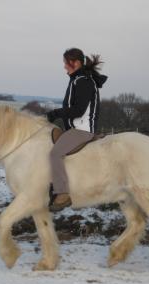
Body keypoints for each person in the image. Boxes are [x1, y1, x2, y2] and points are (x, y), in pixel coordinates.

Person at [46, 48, 108, 211]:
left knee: (55, 153)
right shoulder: (77, 79)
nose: (65, 67)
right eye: (65, 63)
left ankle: (63, 194)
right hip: (74, 128)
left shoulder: (84, 81)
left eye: (67, 63)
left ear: (76, 63)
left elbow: (78, 110)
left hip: (82, 130)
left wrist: (56, 113)